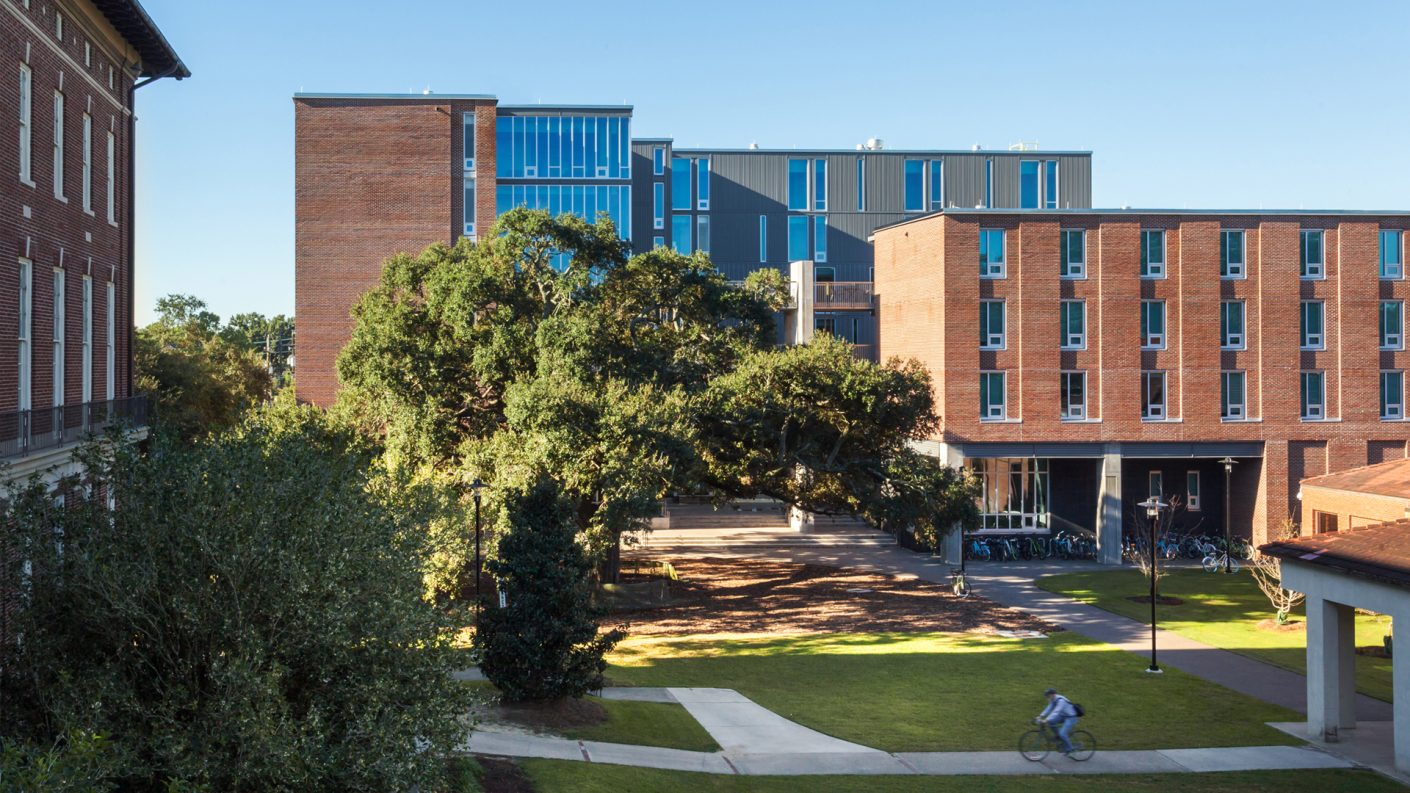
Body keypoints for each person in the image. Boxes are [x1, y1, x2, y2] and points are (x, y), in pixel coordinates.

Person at [1035, 687, 1079, 756]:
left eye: (1048, 696)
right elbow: (1048, 708)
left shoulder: (1061, 701)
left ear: (1053, 694)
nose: (1047, 698)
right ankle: (1058, 736)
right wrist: (1040, 716)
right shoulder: (1053, 700)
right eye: (1046, 696)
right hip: (1063, 716)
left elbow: (1056, 712)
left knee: (1062, 733)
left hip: (1071, 717)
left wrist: (1046, 720)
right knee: (1051, 722)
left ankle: (1070, 749)